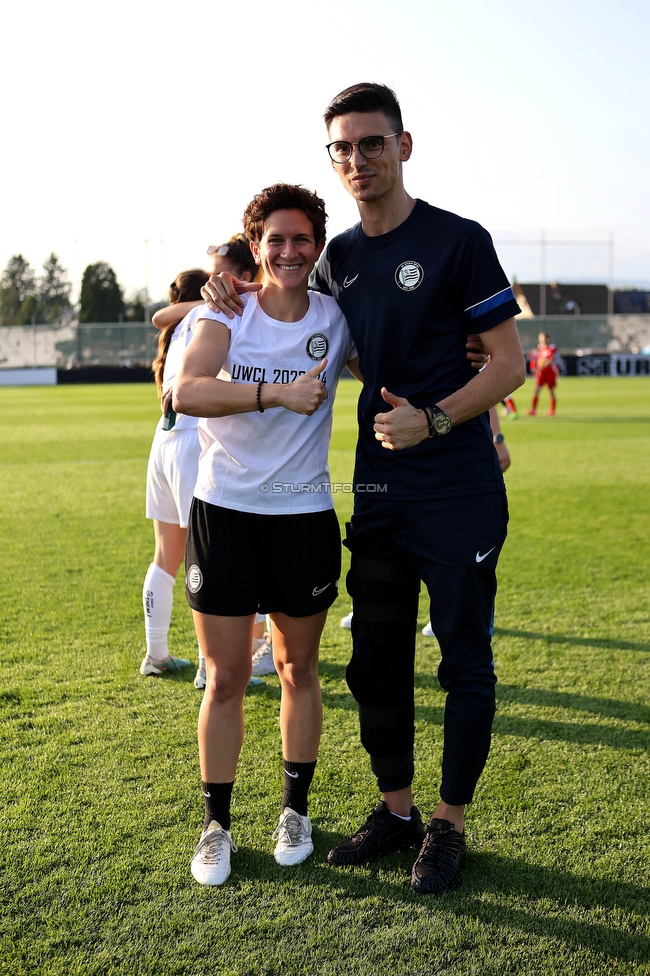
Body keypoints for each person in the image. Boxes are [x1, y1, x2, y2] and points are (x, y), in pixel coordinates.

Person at [202, 83, 525, 895]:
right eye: (342, 148)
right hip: (378, 488)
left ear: (404, 146)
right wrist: (219, 286)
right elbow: (282, 301)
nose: (358, 160)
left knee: (462, 660)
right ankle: (398, 810)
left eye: (371, 143)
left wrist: (440, 418)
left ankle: (448, 825)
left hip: (455, 489)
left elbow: (509, 362)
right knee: (374, 662)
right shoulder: (337, 255)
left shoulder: (459, 241)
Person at [174, 184, 359, 886]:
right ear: (256, 247)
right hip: (224, 513)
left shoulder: (336, 319)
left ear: (317, 248)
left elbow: (387, 356)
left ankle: (295, 811)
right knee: (223, 678)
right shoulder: (228, 310)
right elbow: (186, 391)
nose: (288, 251)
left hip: (303, 518)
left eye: (301, 239)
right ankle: (216, 824)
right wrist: (274, 393)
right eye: (274, 240)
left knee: (296, 670)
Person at [140, 241, 261, 690]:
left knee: (167, 555)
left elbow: (161, 318)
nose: (215, 280)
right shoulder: (229, 309)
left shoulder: (198, 313)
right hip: (192, 440)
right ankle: (213, 668)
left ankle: (157, 654)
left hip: (164, 440)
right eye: (212, 272)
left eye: (221, 271)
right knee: (211, 556)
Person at [528, 331, 559, 415]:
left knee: (551, 391)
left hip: (549, 372)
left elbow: (551, 360)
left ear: (548, 339)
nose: (543, 341)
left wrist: (542, 365)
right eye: (541, 339)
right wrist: (537, 367)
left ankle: (552, 410)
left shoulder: (552, 348)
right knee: (536, 390)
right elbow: (538, 359)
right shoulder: (540, 348)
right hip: (541, 373)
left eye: (544, 339)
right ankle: (533, 409)